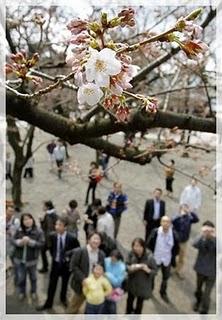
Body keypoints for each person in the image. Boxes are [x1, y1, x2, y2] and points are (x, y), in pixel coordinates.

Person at [36, 217, 80, 310]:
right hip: (55, 265)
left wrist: (69, 259)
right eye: (56, 224)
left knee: (65, 284)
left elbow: (77, 251)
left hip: (66, 266)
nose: (56, 227)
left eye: (60, 225)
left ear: (66, 227)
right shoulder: (52, 236)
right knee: (52, 285)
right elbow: (48, 247)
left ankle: (63, 299)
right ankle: (48, 303)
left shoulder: (72, 238)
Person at [69, 232, 105, 314]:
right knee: (73, 307)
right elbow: (73, 266)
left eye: (98, 239)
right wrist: (83, 279)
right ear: (88, 240)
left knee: (90, 310)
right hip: (81, 285)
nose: (96, 241)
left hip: (94, 288)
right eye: (94, 238)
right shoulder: (80, 251)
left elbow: (103, 269)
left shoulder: (101, 254)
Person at [147, 216, 179, 303]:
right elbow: (149, 244)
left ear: (170, 224)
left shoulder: (174, 234)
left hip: (167, 260)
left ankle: (163, 292)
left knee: (165, 278)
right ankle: (150, 290)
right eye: (164, 221)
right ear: (161, 223)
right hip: (156, 258)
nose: (166, 223)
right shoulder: (155, 232)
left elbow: (176, 248)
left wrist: (173, 257)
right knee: (152, 276)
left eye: (168, 222)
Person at [12, 213, 44, 301]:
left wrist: (30, 242)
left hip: (32, 261)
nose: (27, 221)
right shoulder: (19, 230)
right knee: (21, 278)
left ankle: (33, 291)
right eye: (25, 219)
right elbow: (13, 241)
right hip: (20, 260)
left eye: (29, 219)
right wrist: (20, 242)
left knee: (33, 278)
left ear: (32, 219)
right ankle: (22, 292)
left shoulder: (38, 231)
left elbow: (41, 244)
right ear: (22, 222)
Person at [126, 238, 157, 314]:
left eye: (139, 246)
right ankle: (128, 313)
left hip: (142, 285)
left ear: (143, 246)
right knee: (129, 300)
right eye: (135, 246)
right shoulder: (131, 253)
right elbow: (126, 265)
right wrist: (131, 267)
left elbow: (155, 271)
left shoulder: (150, 257)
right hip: (132, 283)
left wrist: (148, 270)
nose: (137, 248)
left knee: (139, 304)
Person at [192, 221, 216, 314]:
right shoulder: (201, 238)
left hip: (212, 272)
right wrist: (203, 235)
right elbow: (194, 244)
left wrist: (213, 237)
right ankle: (198, 302)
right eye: (206, 230)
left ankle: (204, 310)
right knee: (198, 289)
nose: (208, 232)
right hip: (200, 270)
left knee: (207, 293)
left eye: (209, 230)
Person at [172, 204, 199, 279]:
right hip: (175, 240)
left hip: (184, 241)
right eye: (183, 209)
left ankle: (178, 270)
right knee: (172, 255)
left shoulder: (189, 218)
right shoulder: (176, 216)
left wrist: (191, 212)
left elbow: (196, 219)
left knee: (181, 257)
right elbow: (172, 221)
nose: (185, 210)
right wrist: (180, 215)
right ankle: (170, 267)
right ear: (180, 209)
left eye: (186, 209)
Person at [103, 249, 126, 314]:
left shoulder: (122, 267)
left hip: (114, 290)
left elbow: (117, 283)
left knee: (111, 307)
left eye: (114, 260)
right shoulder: (106, 260)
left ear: (118, 259)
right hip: (104, 288)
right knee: (103, 306)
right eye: (111, 258)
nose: (112, 261)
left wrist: (107, 274)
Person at [39, 201, 58, 273]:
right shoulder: (51, 215)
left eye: (44, 206)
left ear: (48, 207)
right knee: (44, 251)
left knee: (52, 254)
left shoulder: (49, 216)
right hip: (50, 239)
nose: (43, 207)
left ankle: (49, 267)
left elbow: (47, 228)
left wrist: (42, 222)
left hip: (50, 240)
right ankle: (46, 266)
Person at [6, 204, 20, 284]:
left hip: (12, 245)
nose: (10, 213)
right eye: (9, 211)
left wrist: (11, 233)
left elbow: (19, 233)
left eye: (12, 211)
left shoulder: (16, 221)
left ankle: (17, 278)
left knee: (15, 262)